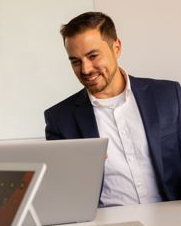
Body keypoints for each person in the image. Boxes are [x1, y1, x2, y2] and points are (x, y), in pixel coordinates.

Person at [44, 12, 181, 207]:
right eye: (75, 61)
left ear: (116, 48)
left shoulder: (168, 95)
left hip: (172, 217)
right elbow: (62, 194)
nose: (85, 69)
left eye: (93, 56)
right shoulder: (59, 119)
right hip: (108, 224)